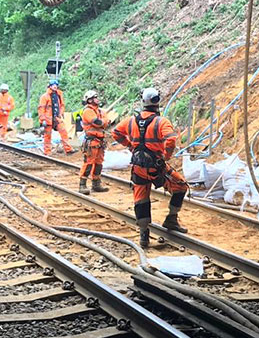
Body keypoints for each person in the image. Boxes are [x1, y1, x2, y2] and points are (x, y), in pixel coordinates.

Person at [113, 87, 188, 248]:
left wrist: (130, 146)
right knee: (180, 186)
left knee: (141, 198)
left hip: (138, 168)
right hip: (157, 167)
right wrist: (166, 156)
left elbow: (116, 133)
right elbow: (171, 140)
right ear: (157, 101)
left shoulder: (131, 120)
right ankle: (171, 219)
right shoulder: (161, 122)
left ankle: (143, 235)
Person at [78, 89, 110, 195]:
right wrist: (102, 122)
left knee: (99, 163)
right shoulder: (87, 111)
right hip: (92, 141)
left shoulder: (100, 111)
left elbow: (106, 122)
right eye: (95, 98)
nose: (97, 99)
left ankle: (96, 183)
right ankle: (82, 184)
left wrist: (103, 122)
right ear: (90, 100)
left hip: (99, 141)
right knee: (89, 163)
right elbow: (97, 122)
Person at [38, 77, 75, 155]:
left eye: (56, 85)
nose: (55, 86)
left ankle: (68, 149)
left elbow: (62, 105)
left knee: (64, 132)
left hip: (57, 118)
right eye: (53, 85)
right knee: (47, 136)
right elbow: (41, 109)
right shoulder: (44, 97)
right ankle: (47, 152)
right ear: (50, 86)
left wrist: (60, 113)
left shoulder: (59, 95)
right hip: (48, 120)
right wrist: (42, 120)